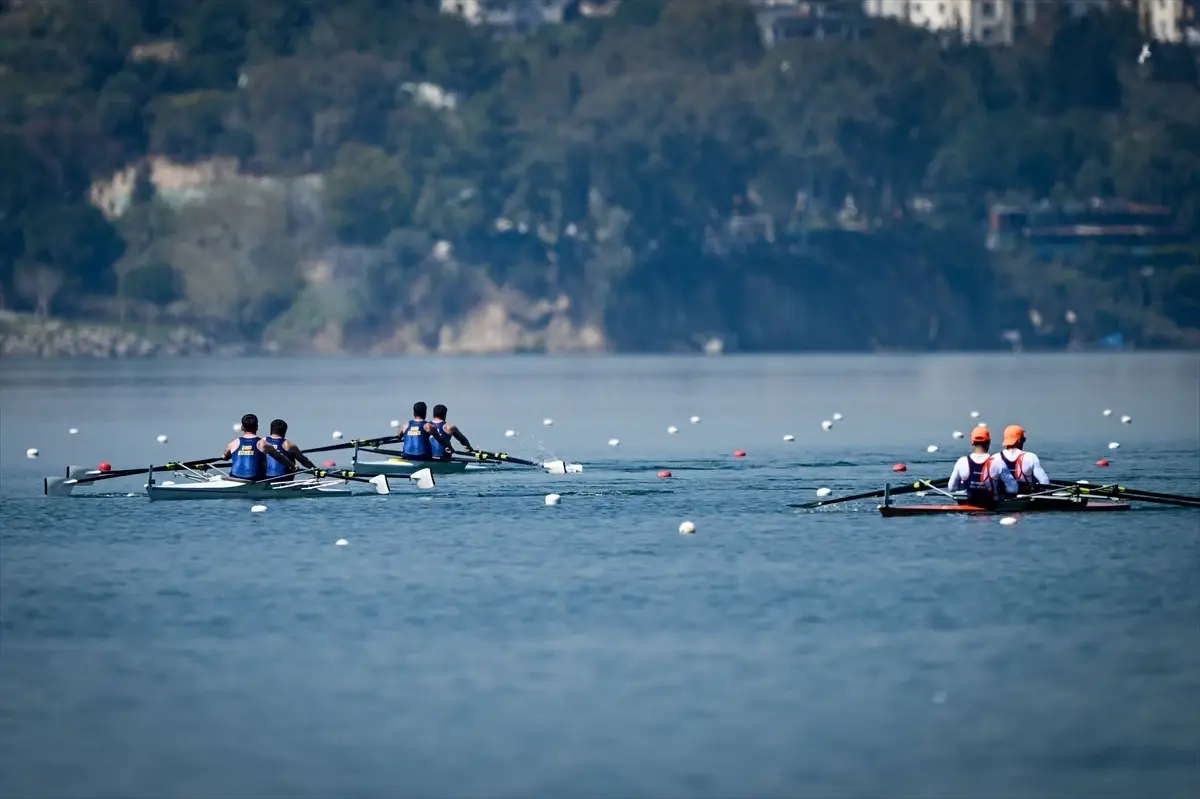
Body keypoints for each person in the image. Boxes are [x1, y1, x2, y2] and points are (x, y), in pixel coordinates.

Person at [947, 425, 1020, 508]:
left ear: (972, 442)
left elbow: (951, 488)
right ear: (989, 441)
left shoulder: (962, 462)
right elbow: (1013, 489)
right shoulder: (998, 463)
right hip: (992, 508)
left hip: (969, 508)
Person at [223, 414, 296, 481]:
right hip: (254, 479)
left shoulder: (233, 443)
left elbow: (225, 457)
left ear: (242, 427)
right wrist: (292, 466)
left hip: (234, 478)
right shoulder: (263, 444)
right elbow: (280, 458)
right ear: (257, 427)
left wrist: (225, 456)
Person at [993, 425, 1049, 494]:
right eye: (1023, 439)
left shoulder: (995, 458)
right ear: (1019, 440)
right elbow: (1045, 482)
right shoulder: (1031, 457)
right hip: (1026, 499)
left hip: (1002, 498)